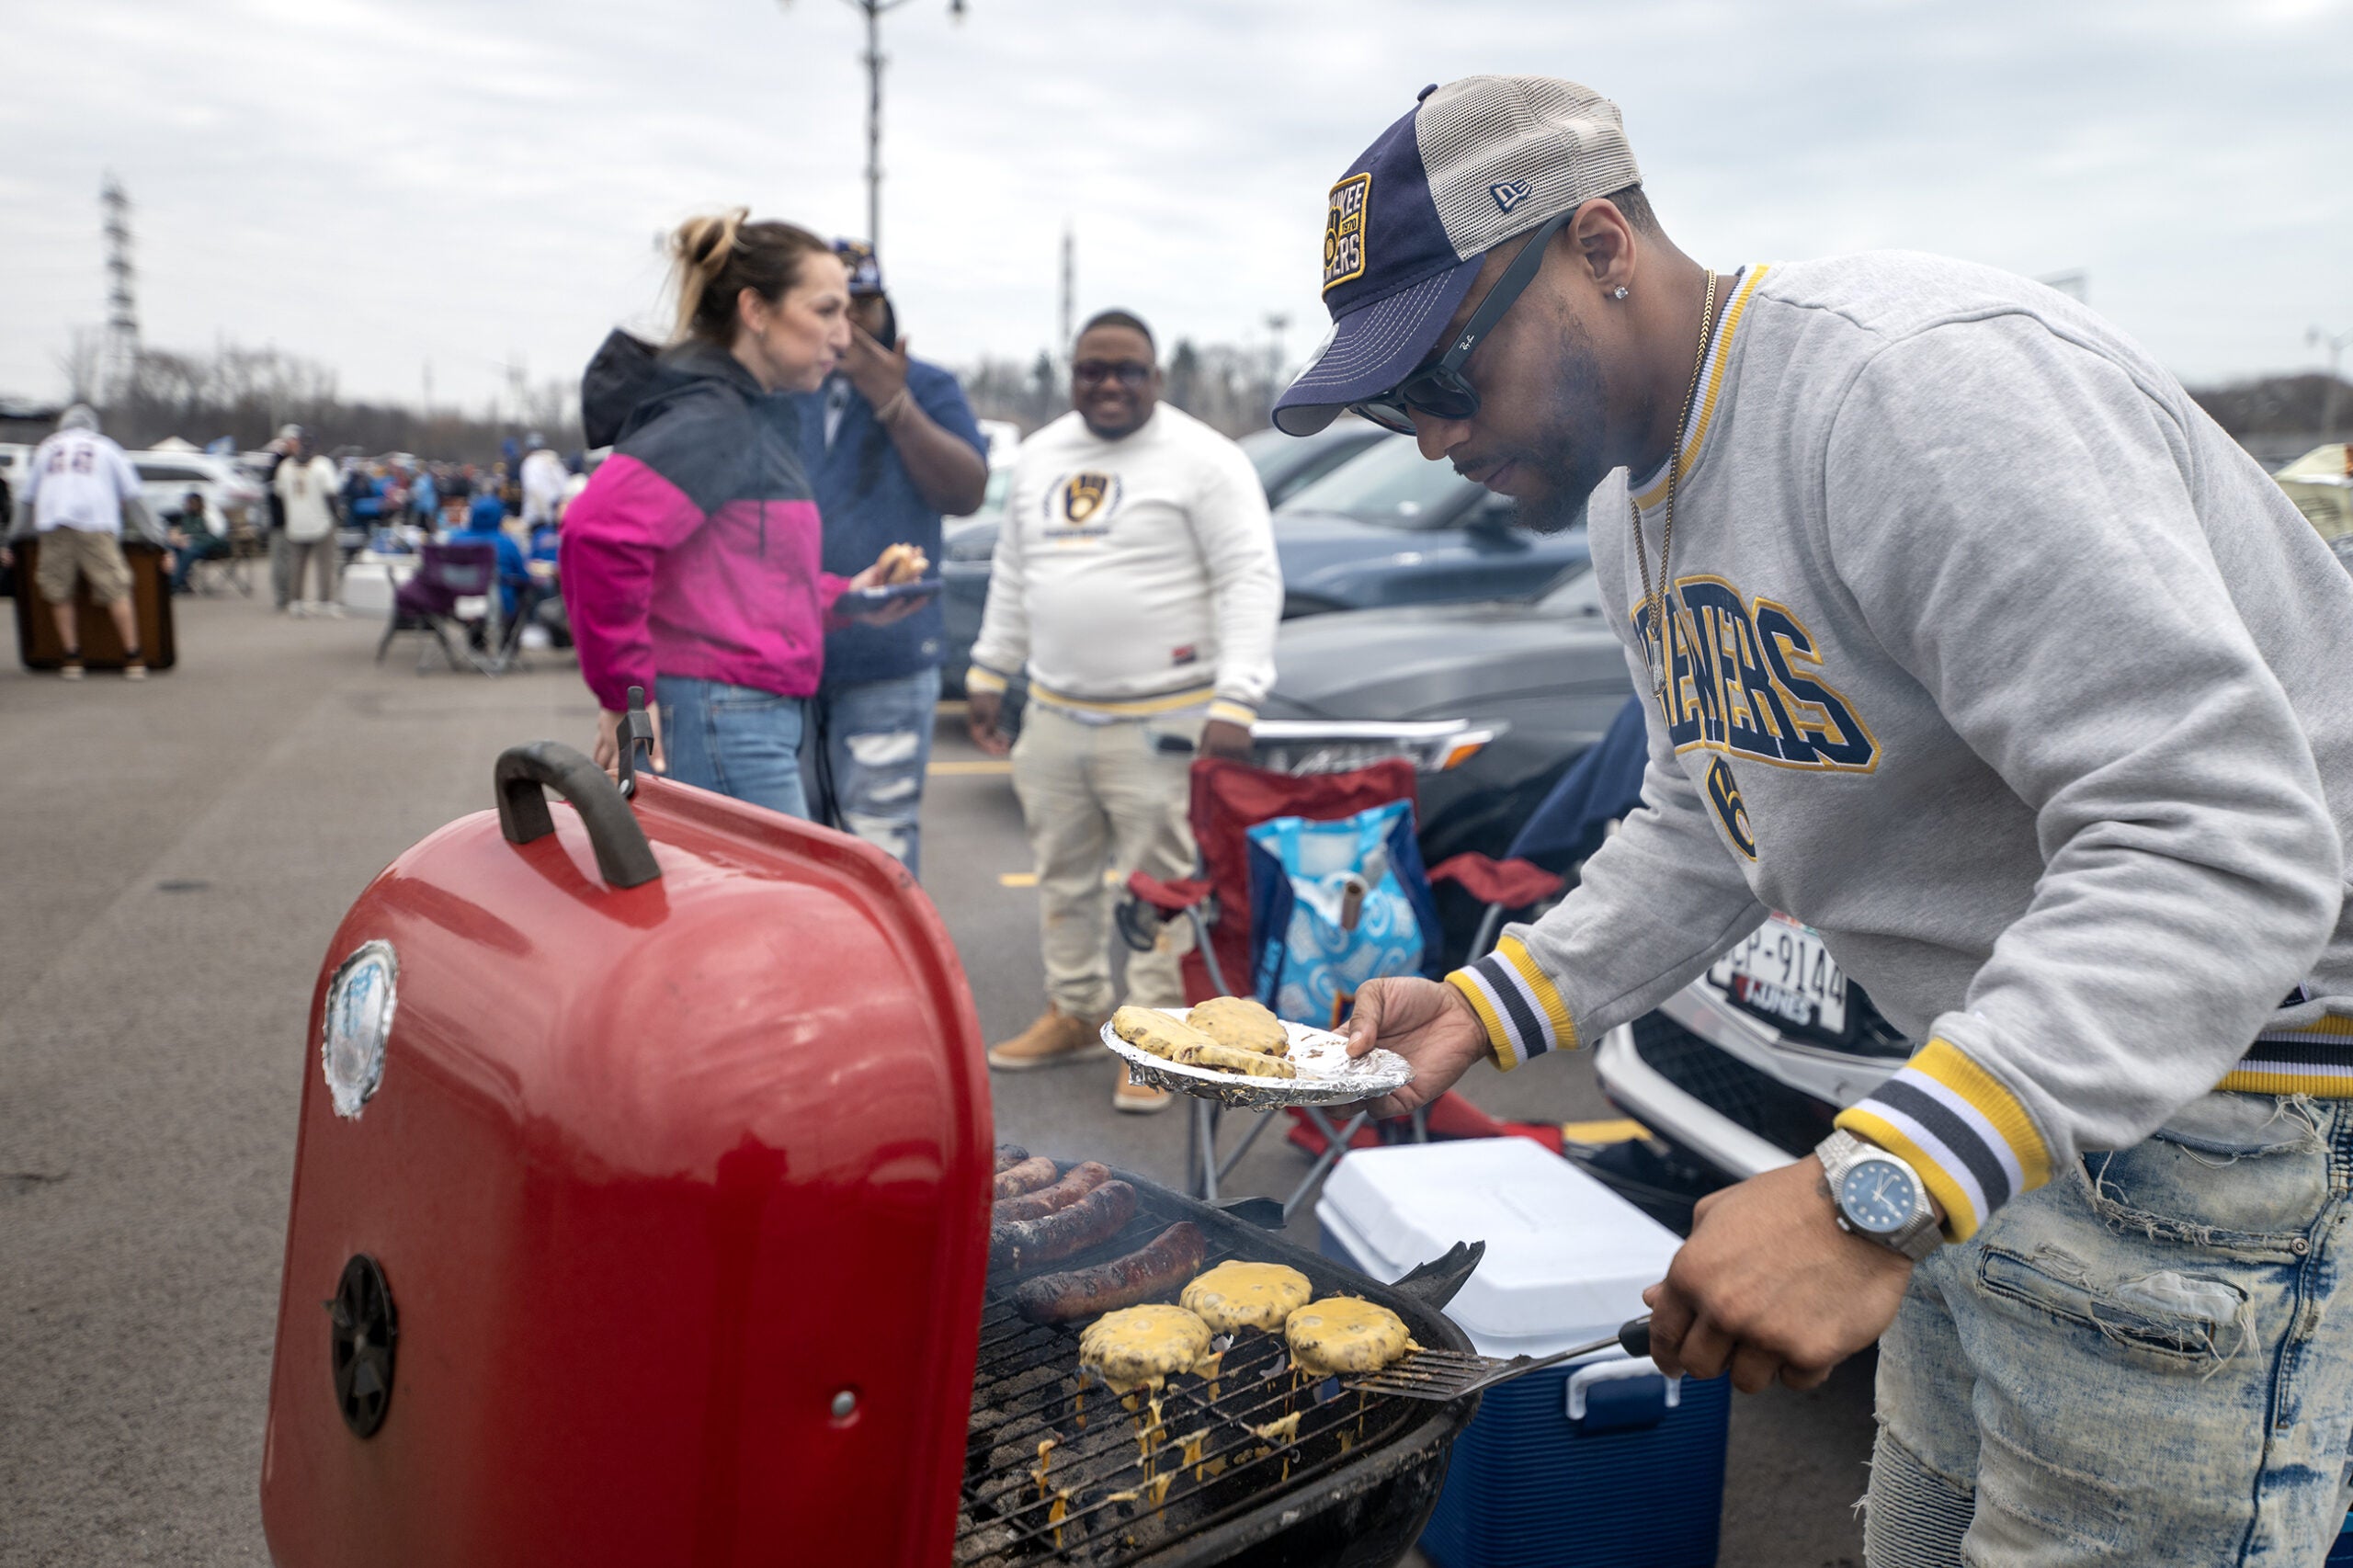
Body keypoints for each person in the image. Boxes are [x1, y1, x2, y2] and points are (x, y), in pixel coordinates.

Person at [1293, 76, 2353, 1565]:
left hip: (2224, 1099)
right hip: (1988, 1099)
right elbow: (1712, 805)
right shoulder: (1628, 506)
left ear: (1600, 243)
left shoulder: (1912, 390)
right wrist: (1490, 1000)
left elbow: (2220, 833)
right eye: (1395, 404)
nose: (1428, 436)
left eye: (1446, 373)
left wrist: (1879, 1188)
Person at [969, 310, 1282, 1113]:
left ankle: (1153, 1042)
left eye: (1127, 370)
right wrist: (987, 668)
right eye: (1091, 370)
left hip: (1165, 717)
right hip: (1054, 712)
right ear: (1070, 375)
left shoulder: (1206, 459)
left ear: (1157, 378)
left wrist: (1237, 695)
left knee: (1160, 889)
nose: (1108, 384)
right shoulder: (1041, 457)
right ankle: (1075, 1012)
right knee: (1063, 879)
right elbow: (1013, 571)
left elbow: (1249, 576)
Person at [560, 208, 916, 813]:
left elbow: (735, 582)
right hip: (723, 719)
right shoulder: (716, 417)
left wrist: (847, 596)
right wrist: (625, 692)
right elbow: (598, 533)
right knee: (774, 909)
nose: (844, 335)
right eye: (826, 311)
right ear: (755, 311)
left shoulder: (746, 414)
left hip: (734, 715)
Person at [793, 239, 990, 876]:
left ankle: (876, 977)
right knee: (787, 842)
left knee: (876, 845)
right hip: (783, 657)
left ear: (887, 309)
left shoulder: (926, 385)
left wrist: (893, 403)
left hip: (888, 659)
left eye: (863, 307)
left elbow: (966, 491)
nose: (845, 326)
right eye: (828, 308)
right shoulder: (780, 387)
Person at [3, 403, 165, 678]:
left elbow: (26, 499)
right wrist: (157, 539)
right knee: (116, 587)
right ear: (93, 426)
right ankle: (133, 656)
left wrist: (11, 539)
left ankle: (72, 657)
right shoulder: (106, 447)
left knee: (59, 590)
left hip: (54, 524)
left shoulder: (48, 447)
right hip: (96, 522)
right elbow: (134, 496)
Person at [274, 431, 342, 617]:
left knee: (297, 565)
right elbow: (331, 494)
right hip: (321, 521)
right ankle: (325, 601)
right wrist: (337, 516)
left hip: (295, 522)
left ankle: (296, 602)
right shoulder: (323, 465)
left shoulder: (285, 467)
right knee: (325, 564)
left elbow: (279, 494)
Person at [449, 490, 534, 632]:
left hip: (458, 603)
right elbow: (523, 576)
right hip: (499, 604)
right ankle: (508, 642)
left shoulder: (456, 539)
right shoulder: (506, 542)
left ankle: (477, 640)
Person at [167, 488, 229, 594]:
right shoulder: (186, 516)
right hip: (190, 544)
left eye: (192, 503)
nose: (190, 505)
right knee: (172, 548)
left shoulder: (209, 514)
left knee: (188, 551)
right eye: (188, 503)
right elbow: (180, 530)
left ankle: (174, 583)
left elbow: (217, 534)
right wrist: (178, 538)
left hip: (212, 546)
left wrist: (191, 539)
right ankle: (180, 582)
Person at [263, 425, 298, 609]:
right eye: (293, 441)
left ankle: (292, 595)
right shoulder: (277, 463)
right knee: (280, 560)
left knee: (291, 560)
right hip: (280, 520)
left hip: (295, 520)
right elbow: (273, 492)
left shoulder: (296, 463)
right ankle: (282, 595)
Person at [519, 435, 567, 532]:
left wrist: (546, 516)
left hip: (538, 517)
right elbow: (564, 486)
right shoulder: (555, 461)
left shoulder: (530, 463)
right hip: (558, 514)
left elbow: (533, 489)